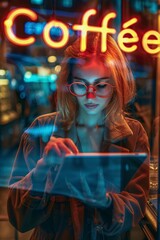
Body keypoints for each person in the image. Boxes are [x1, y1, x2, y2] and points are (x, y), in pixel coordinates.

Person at [7, 33, 149, 240]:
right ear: (68, 84)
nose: (90, 96)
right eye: (81, 85)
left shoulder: (133, 133)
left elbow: (136, 206)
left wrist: (105, 202)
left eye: (100, 85)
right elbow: (18, 217)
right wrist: (41, 173)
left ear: (117, 85)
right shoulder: (41, 129)